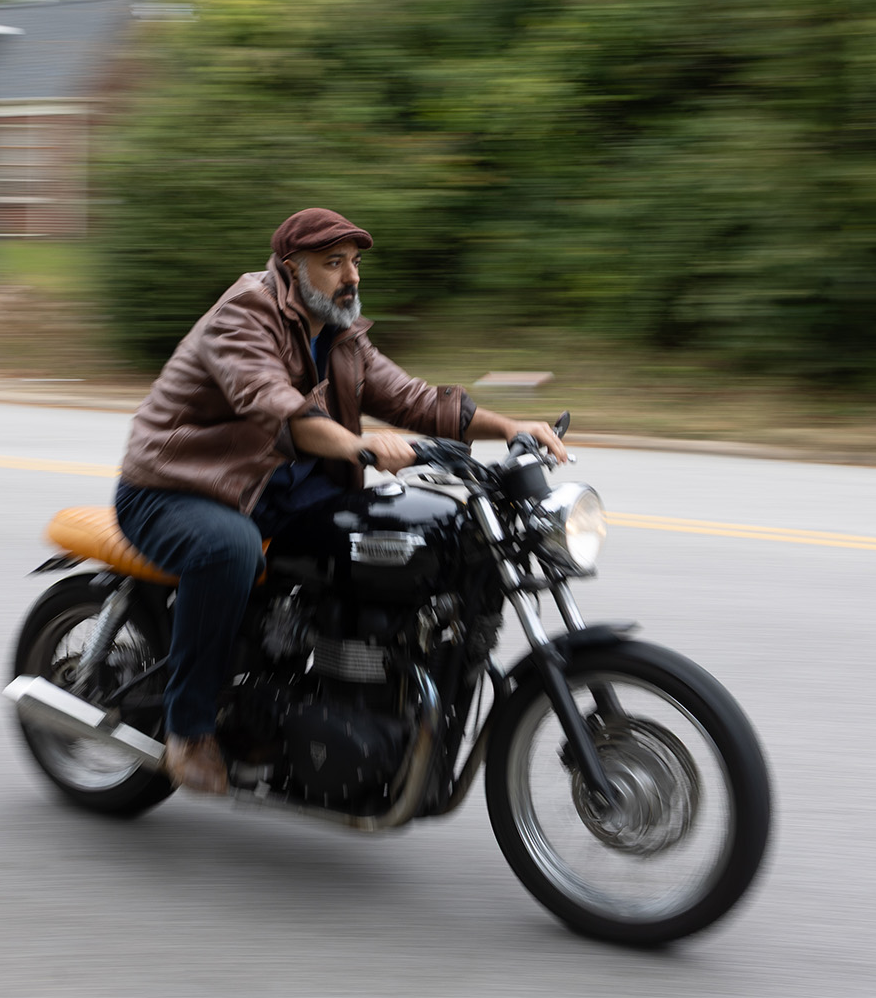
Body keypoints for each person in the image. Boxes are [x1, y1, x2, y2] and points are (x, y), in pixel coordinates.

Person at [115, 208, 567, 794]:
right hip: (179, 486)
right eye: (333, 264)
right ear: (291, 269)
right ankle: (190, 729)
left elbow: (413, 400)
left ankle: (334, 696)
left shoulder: (341, 332)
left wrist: (510, 428)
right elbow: (280, 408)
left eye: (354, 262)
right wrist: (360, 447)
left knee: (406, 540)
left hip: (282, 491)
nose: (351, 276)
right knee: (230, 549)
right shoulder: (244, 316)